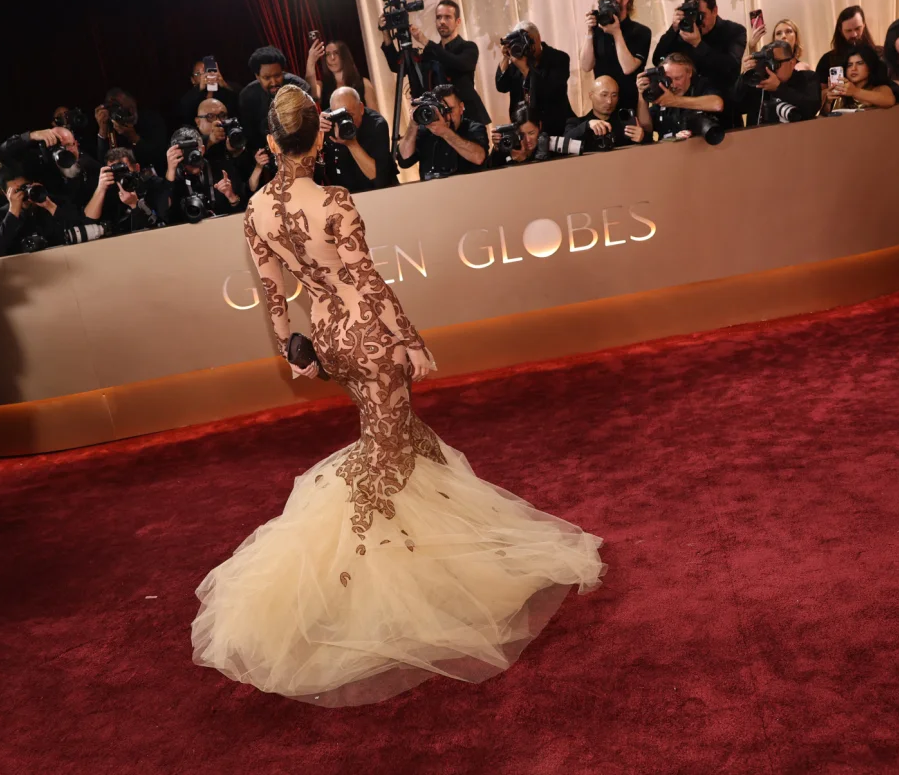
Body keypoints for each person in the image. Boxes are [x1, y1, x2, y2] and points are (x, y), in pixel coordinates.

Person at [191, 84, 604, 707]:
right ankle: (351, 593)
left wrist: (294, 351)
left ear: (274, 142)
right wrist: (409, 339)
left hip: (328, 339)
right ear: (322, 136)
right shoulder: (333, 200)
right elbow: (366, 279)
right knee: (384, 461)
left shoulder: (254, 211)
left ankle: (462, 551)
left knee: (405, 443)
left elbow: (276, 296)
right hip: (369, 339)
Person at [380, 0, 490, 125]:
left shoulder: (468, 47)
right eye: (439, 17)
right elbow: (397, 67)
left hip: (467, 119)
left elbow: (459, 63)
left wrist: (425, 41)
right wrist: (386, 33)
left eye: (448, 17)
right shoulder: (430, 52)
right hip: (437, 120)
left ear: (458, 21)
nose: (442, 21)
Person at [652, 0, 747, 122]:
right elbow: (658, 60)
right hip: (687, 110)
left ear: (714, 11)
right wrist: (673, 30)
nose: (697, 21)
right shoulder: (683, 33)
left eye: (701, 15)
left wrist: (698, 44)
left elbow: (730, 68)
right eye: (694, 15)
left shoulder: (734, 31)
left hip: (724, 110)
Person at [580, 0, 652, 114]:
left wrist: (616, 33)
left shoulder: (641, 32)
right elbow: (586, 66)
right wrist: (589, 32)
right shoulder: (598, 30)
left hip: (630, 105)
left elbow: (628, 67)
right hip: (603, 107)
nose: (607, 1)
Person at [495, 21, 574, 136]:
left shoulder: (559, 58)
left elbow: (551, 91)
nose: (525, 45)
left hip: (555, 126)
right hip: (524, 130)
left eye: (528, 40)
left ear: (538, 38)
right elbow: (501, 86)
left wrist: (525, 70)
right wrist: (505, 57)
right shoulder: (517, 61)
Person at [397, 84, 488, 180]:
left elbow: (479, 158)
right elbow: (404, 160)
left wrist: (445, 133)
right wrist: (413, 123)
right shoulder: (426, 131)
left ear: (461, 108)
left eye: (450, 110)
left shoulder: (474, 128)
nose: (447, 116)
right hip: (433, 191)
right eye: (442, 110)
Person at [0, 171, 93, 254]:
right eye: (16, 191)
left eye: (24, 187)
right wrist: (13, 212)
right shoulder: (2, 214)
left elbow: (80, 229)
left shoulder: (54, 202)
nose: (22, 194)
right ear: (7, 195)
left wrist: (50, 206)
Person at [319, 87, 398, 193]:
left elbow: (378, 176)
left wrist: (351, 144)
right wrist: (315, 133)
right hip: (343, 196)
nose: (345, 122)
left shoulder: (376, 124)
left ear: (361, 108)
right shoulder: (327, 123)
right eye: (339, 117)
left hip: (379, 192)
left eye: (349, 115)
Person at [636, 53, 726, 141]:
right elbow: (647, 128)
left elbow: (717, 104)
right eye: (669, 79)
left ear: (689, 73)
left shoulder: (701, 86)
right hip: (669, 152)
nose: (673, 85)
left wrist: (675, 101)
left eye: (678, 78)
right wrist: (641, 94)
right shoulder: (662, 90)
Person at [240, 47, 313, 152]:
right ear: (257, 76)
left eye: (277, 75)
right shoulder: (247, 96)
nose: (274, 82)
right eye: (267, 78)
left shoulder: (299, 88)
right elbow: (250, 136)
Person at [163, 130, 245, 221]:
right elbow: (164, 214)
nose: (190, 156)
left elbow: (243, 214)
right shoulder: (175, 180)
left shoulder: (223, 171)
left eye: (193, 150)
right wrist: (170, 171)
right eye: (185, 152)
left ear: (202, 149)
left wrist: (231, 197)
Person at [734, 40, 821, 126]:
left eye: (775, 63)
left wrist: (779, 88)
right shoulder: (759, 83)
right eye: (767, 63)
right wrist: (745, 75)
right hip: (760, 138)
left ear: (792, 62)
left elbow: (812, 107)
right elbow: (735, 106)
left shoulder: (808, 78)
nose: (771, 68)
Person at [85, 148, 169, 234]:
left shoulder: (154, 185)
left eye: (124, 170)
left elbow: (162, 227)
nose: (121, 176)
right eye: (115, 172)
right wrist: (100, 189)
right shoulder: (109, 190)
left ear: (137, 168)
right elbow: (88, 223)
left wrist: (135, 205)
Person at [95, 87, 169, 176]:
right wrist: (102, 131)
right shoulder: (111, 127)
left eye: (130, 108)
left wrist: (133, 137)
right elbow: (104, 164)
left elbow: (159, 157)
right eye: (118, 108)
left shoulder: (152, 120)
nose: (130, 112)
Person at [562, 76, 638, 150]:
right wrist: (587, 125)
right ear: (591, 95)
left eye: (614, 95)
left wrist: (642, 137)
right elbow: (563, 142)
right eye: (604, 95)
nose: (609, 101)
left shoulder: (624, 123)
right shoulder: (576, 123)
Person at [815, 6, 879, 93]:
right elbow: (818, 94)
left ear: (864, 25)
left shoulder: (878, 53)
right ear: (840, 30)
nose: (854, 34)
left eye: (857, 28)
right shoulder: (827, 59)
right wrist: (828, 94)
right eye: (848, 31)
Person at [307, 38, 379, 113]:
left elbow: (375, 117)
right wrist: (310, 62)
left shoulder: (363, 83)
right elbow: (310, 96)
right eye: (328, 54)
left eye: (336, 53)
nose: (332, 58)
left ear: (344, 56)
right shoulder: (321, 85)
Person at [821, 45, 896, 115]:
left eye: (860, 63)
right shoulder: (841, 92)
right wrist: (828, 102)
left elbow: (889, 101)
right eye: (849, 65)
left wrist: (855, 91)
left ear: (870, 66)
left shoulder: (879, 88)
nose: (853, 69)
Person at [173, 57, 241, 133]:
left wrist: (224, 85)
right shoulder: (190, 96)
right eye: (199, 73)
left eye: (208, 71)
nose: (205, 75)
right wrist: (200, 88)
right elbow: (183, 112)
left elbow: (240, 101)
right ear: (192, 80)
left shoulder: (225, 89)